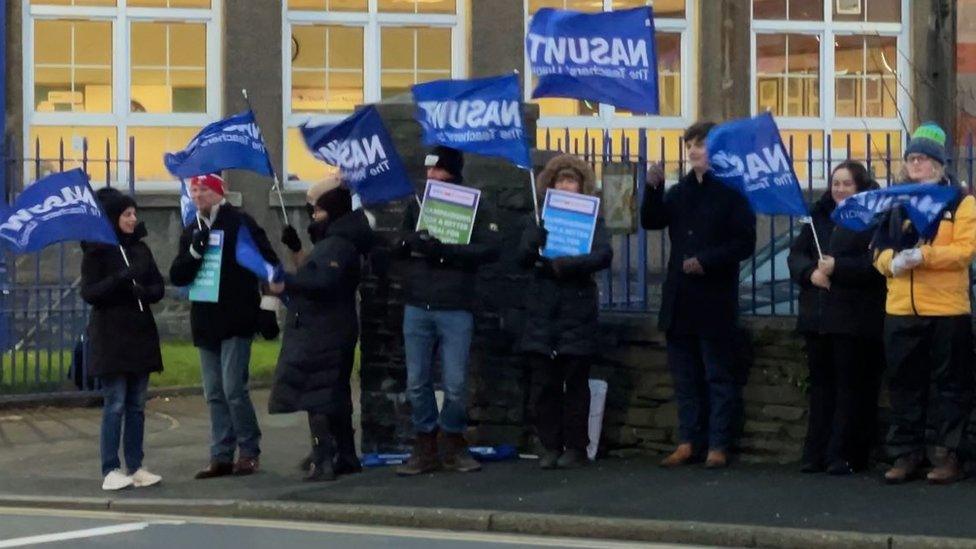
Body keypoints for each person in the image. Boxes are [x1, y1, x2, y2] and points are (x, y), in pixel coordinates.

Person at [641, 121, 756, 469]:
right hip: (680, 300)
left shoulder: (733, 193)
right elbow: (652, 221)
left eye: (700, 144)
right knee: (685, 377)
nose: (693, 150)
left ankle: (718, 444)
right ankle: (688, 439)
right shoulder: (681, 192)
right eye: (690, 144)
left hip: (714, 299)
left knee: (718, 376)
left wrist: (706, 261)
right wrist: (653, 189)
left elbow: (744, 243)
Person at [872, 123, 976, 484]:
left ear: (938, 164)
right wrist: (892, 262)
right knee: (903, 385)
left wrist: (924, 255)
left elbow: (965, 250)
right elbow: (878, 249)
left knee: (950, 388)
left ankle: (950, 455)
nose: (915, 164)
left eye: (922, 158)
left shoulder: (961, 201)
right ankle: (906, 453)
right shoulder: (896, 202)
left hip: (947, 309)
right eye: (911, 158)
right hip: (901, 308)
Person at [394, 146, 500, 476]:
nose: (431, 177)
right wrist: (413, 242)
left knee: (455, 383)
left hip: (455, 303)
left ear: (451, 171)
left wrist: (445, 252)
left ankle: (452, 437)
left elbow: (489, 249)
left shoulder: (475, 203)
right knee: (416, 381)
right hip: (419, 302)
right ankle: (425, 440)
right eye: (428, 171)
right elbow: (400, 240)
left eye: (437, 170)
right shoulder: (417, 203)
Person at [169, 173, 279, 479]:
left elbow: (268, 262)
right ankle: (220, 454)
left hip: (237, 315)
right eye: (194, 190)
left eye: (204, 189)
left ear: (220, 192)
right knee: (214, 391)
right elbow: (178, 275)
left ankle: (249, 449)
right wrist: (193, 251)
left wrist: (268, 307)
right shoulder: (192, 228)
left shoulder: (239, 222)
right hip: (206, 318)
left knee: (233, 388)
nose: (199, 195)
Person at [268, 177, 374, 481]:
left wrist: (284, 281)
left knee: (317, 396)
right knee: (334, 394)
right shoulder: (336, 241)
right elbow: (315, 273)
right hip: (332, 327)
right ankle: (345, 455)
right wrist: (297, 250)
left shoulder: (338, 244)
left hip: (324, 330)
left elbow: (321, 282)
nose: (312, 213)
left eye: (316, 208)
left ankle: (324, 459)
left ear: (330, 209)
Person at [787, 161, 886, 475]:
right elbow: (796, 254)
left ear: (859, 187)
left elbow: (875, 266)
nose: (840, 189)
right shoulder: (818, 217)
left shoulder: (871, 218)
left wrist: (837, 268)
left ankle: (843, 454)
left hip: (854, 319)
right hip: (818, 317)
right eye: (836, 183)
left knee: (850, 388)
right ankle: (814, 452)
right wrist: (810, 272)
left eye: (847, 184)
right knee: (821, 388)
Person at [517, 154, 613, 469]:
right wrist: (535, 241)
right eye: (560, 180)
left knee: (575, 384)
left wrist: (568, 265)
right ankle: (550, 446)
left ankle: (575, 446)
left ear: (581, 185)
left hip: (577, 309)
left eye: (571, 180)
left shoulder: (593, 218)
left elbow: (603, 254)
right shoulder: (538, 217)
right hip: (543, 309)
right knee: (544, 385)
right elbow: (522, 257)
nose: (566, 185)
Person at [82, 187, 165, 491]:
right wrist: (120, 278)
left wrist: (146, 290)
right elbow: (90, 292)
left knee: (137, 404)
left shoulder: (140, 250)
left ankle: (136, 464)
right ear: (114, 218)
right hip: (111, 336)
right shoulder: (97, 250)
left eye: (134, 214)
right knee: (115, 403)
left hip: (140, 334)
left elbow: (158, 286)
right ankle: (111, 467)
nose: (133, 219)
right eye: (127, 214)